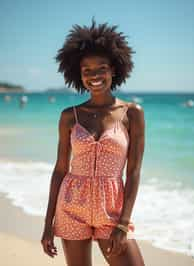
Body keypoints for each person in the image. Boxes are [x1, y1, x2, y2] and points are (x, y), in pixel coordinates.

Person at [41, 19, 145, 266]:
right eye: (87, 70)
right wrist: (48, 224)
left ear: (114, 70)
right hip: (71, 207)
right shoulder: (70, 116)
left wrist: (123, 222)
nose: (94, 75)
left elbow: (133, 171)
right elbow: (60, 170)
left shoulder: (132, 114)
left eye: (101, 68)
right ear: (78, 75)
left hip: (112, 210)